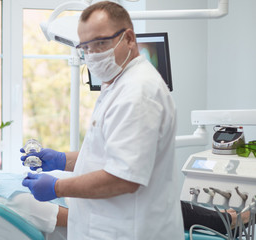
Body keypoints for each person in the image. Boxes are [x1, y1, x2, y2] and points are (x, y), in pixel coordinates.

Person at [21, 2, 184, 239]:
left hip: (130, 231)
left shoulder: (138, 93)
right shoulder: (119, 83)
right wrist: (61, 159)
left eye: (101, 43)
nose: (93, 54)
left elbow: (123, 178)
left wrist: (57, 187)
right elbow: (109, 155)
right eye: (85, 47)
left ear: (128, 38)